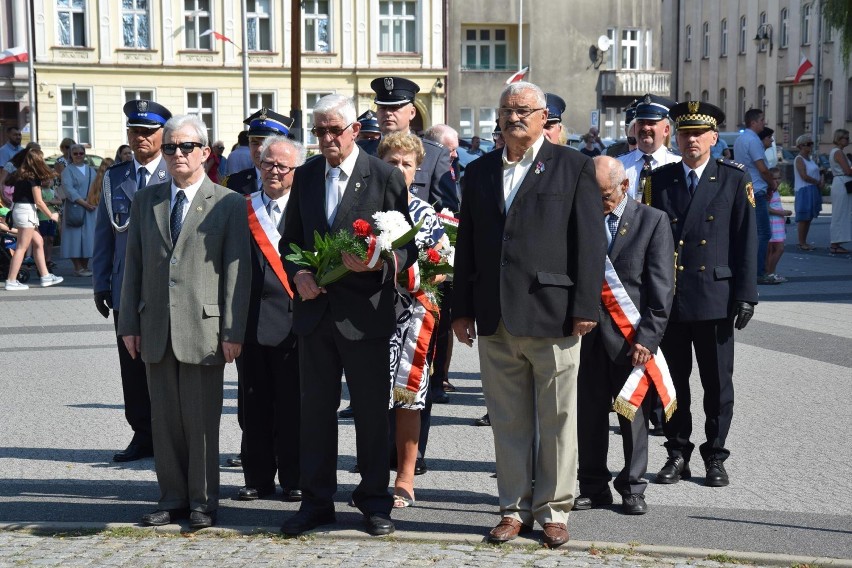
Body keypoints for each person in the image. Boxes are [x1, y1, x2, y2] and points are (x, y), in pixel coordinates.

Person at [452, 81, 606, 548]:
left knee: (559, 421)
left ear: (544, 118)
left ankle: (554, 511)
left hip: (554, 315)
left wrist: (584, 306)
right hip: (495, 316)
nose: (514, 116)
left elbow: (589, 243)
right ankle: (513, 509)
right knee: (508, 422)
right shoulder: (477, 172)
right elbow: (468, 247)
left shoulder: (574, 167)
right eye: (506, 110)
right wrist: (461, 309)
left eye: (523, 110)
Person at [279, 93, 417, 537]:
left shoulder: (384, 176)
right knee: (314, 413)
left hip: (365, 315)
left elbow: (406, 244)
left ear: (355, 130)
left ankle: (375, 501)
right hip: (315, 313)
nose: (325, 139)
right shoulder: (305, 177)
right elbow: (291, 241)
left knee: (371, 416)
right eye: (318, 132)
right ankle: (316, 500)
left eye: (333, 130)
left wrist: (379, 262)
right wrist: (298, 273)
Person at [118, 114, 251, 529]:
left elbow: (236, 273)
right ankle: (172, 497)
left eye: (186, 147)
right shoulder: (147, 201)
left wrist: (233, 331)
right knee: (164, 419)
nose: (177, 154)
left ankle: (204, 502)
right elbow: (134, 265)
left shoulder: (228, 202)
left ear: (205, 153)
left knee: (201, 421)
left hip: (205, 330)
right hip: (154, 326)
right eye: (171, 147)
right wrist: (128, 324)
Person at [648, 100, 757, 489]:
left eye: (698, 134)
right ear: (674, 137)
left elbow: (746, 241)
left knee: (717, 383)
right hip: (672, 300)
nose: (691, 140)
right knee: (673, 384)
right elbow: (649, 241)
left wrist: (747, 294)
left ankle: (715, 455)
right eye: (684, 133)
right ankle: (677, 453)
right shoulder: (660, 180)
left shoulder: (732, 179)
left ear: (714, 137)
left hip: (715, 297)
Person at [575, 155, 674, 516]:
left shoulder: (652, 221)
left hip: (632, 339)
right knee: (588, 417)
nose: (597, 203)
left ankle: (633, 487)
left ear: (625, 186)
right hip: (586, 339)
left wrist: (648, 339)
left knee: (632, 415)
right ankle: (592, 487)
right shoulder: (581, 219)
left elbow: (661, 289)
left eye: (604, 195)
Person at [93, 99, 172, 463]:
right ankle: (142, 433)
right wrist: (100, 282)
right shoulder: (115, 177)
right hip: (126, 285)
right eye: (134, 132)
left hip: (165, 286)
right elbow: (105, 235)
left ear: (162, 135)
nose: (140, 138)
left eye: (148, 132)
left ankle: (170, 434)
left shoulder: (175, 172)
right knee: (132, 363)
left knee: (166, 363)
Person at [377, 132, 448, 508]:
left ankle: (405, 477)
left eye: (407, 163)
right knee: (371, 398)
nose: (399, 168)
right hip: (371, 315)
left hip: (411, 317)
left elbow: (439, 267)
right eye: (392, 161)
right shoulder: (366, 208)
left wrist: (420, 273)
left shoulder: (426, 214)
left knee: (409, 400)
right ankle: (373, 474)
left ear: (417, 170)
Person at [237, 134, 306, 503]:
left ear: (296, 170)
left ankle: (295, 477)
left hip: (297, 325)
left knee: (294, 406)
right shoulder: (241, 207)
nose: (274, 171)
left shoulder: (308, 207)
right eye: (268, 164)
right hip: (253, 322)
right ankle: (258, 477)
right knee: (254, 405)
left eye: (282, 166)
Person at [365, 76, 455, 211]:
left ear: (412, 113)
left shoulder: (434, 155)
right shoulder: (361, 151)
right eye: (382, 108)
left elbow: (447, 211)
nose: (388, 113)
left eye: (395, 107)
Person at [2, 148, 64, 290]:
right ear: (37, 160)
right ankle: (11, 280)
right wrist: (51, 215)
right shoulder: (32, 178)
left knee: (38, 241)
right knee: (22, 247)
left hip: (19, 210)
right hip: (26, 212)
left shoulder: (20, 175)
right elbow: (39, 201)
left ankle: (45, 276)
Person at [733, 108, 776, 283]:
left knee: (748, 232)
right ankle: (758, 272)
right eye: (762, 120)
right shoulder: (753, 140)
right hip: (756, 190)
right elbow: (762, 168)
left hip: (744, 187)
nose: (764, 123)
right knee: (763, 233)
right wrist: (772, 183)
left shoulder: (740, 139)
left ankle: (746, 269)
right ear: (753, 122)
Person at [618, 94, 681, 201]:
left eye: (652, 123)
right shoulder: (619, 164)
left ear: (666, 130)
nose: (645, 127)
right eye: (641, 122)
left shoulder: (679, 163)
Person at [226, 109, 294, 196]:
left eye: (266, 143)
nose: (259, 149)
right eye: (254, 143)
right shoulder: (234, 182)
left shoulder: (297, 182)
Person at [60, 144, 97, 276]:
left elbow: (96, 187)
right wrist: (84, 203)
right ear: (71, 155)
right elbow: (69, 190)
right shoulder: (67, 171)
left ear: (84, 154)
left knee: (89, 237)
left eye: (81, 153)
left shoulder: (92, 170)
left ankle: (85, 266)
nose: (78, 156)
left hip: (91, 207)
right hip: (75, 207)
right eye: (75, 153)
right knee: (73, 237)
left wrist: (93, 201)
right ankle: (77, 267)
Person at [792, 134, 822, 251]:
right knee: (804, 217)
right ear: (801, 146)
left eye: (811, 144)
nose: (811, 146)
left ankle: (804, 241)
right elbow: (804, 176)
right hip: (804, 189)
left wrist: (820, 180)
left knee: (809, 217)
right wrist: (817, 182)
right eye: (808, 144)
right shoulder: (799, 159)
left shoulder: (811, 159)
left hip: (812, 188)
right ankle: (801, 242)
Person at [828, 129, 852, 255]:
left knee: (842, 213)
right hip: (842, 182)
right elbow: (848, 171)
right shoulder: (838, 152)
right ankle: (835, 243)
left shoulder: (838, 152)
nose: (848, 140)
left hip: (841, 182)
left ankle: (837, 242)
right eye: (846, 138)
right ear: (839, 138)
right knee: (840, 213)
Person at [766, 168, 791, 283]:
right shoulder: (770, 190)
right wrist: (782, 213)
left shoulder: (775, 190)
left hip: (777, 223)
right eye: (774, 178)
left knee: (772, 250)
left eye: (779, 178)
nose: (777, 181)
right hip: (773, 223)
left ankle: (771, 272)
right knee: (779, 249)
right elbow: (767, 208)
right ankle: (770, 273)